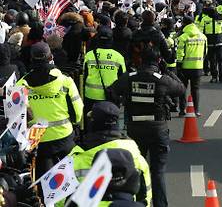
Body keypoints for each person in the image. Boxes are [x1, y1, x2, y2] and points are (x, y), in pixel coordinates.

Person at [110, 39, 185, 207]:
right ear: (158, 61)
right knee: (157, 171)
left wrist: (124, 99)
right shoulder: (162, 79)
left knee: (135, 169)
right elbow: (181, 89)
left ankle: (138, 202)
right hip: (157, 129)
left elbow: (112, 90)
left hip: (134, 129)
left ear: (140, 60)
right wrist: (168, 72)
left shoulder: (129, 78)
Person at [65, 102, 151, 207]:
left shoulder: (76, 158)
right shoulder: (136, 157)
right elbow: (145, 195)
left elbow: (60, 198)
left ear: (93, 123)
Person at [17, 42, 83, 178]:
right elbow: (77, 111)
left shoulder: (21, 85)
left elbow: (16, 118)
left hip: (37, 140)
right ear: (50, 57)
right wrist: (75, 123)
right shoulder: (66, 81)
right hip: (64, 136)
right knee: (69, 178)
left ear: (31, 59)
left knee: (45, 182)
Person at [82, 26, 126, 111]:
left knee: (92, 120)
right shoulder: (118, 56)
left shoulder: (89, 55)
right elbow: (122, 79)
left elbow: (84, 75)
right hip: (111, 96)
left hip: (91, 95)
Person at [176, 15, 207, 116]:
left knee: (182, 89)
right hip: (198, 67)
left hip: (184, 67)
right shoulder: (203, 36)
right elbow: (205, 52)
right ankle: (196, 110)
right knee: (195, 89)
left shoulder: (183, 37)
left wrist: (179, 65)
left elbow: (179, 53)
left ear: (184, 23)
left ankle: (182, 110)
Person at [195, 2, 222, 83]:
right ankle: (214, 76)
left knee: (221, 59)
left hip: (220, 42)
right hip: (209, 42)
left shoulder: (221, 17)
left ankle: (221, 76)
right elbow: (200, 30)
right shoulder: (204, 19)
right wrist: (200, 40)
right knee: (212, 60)